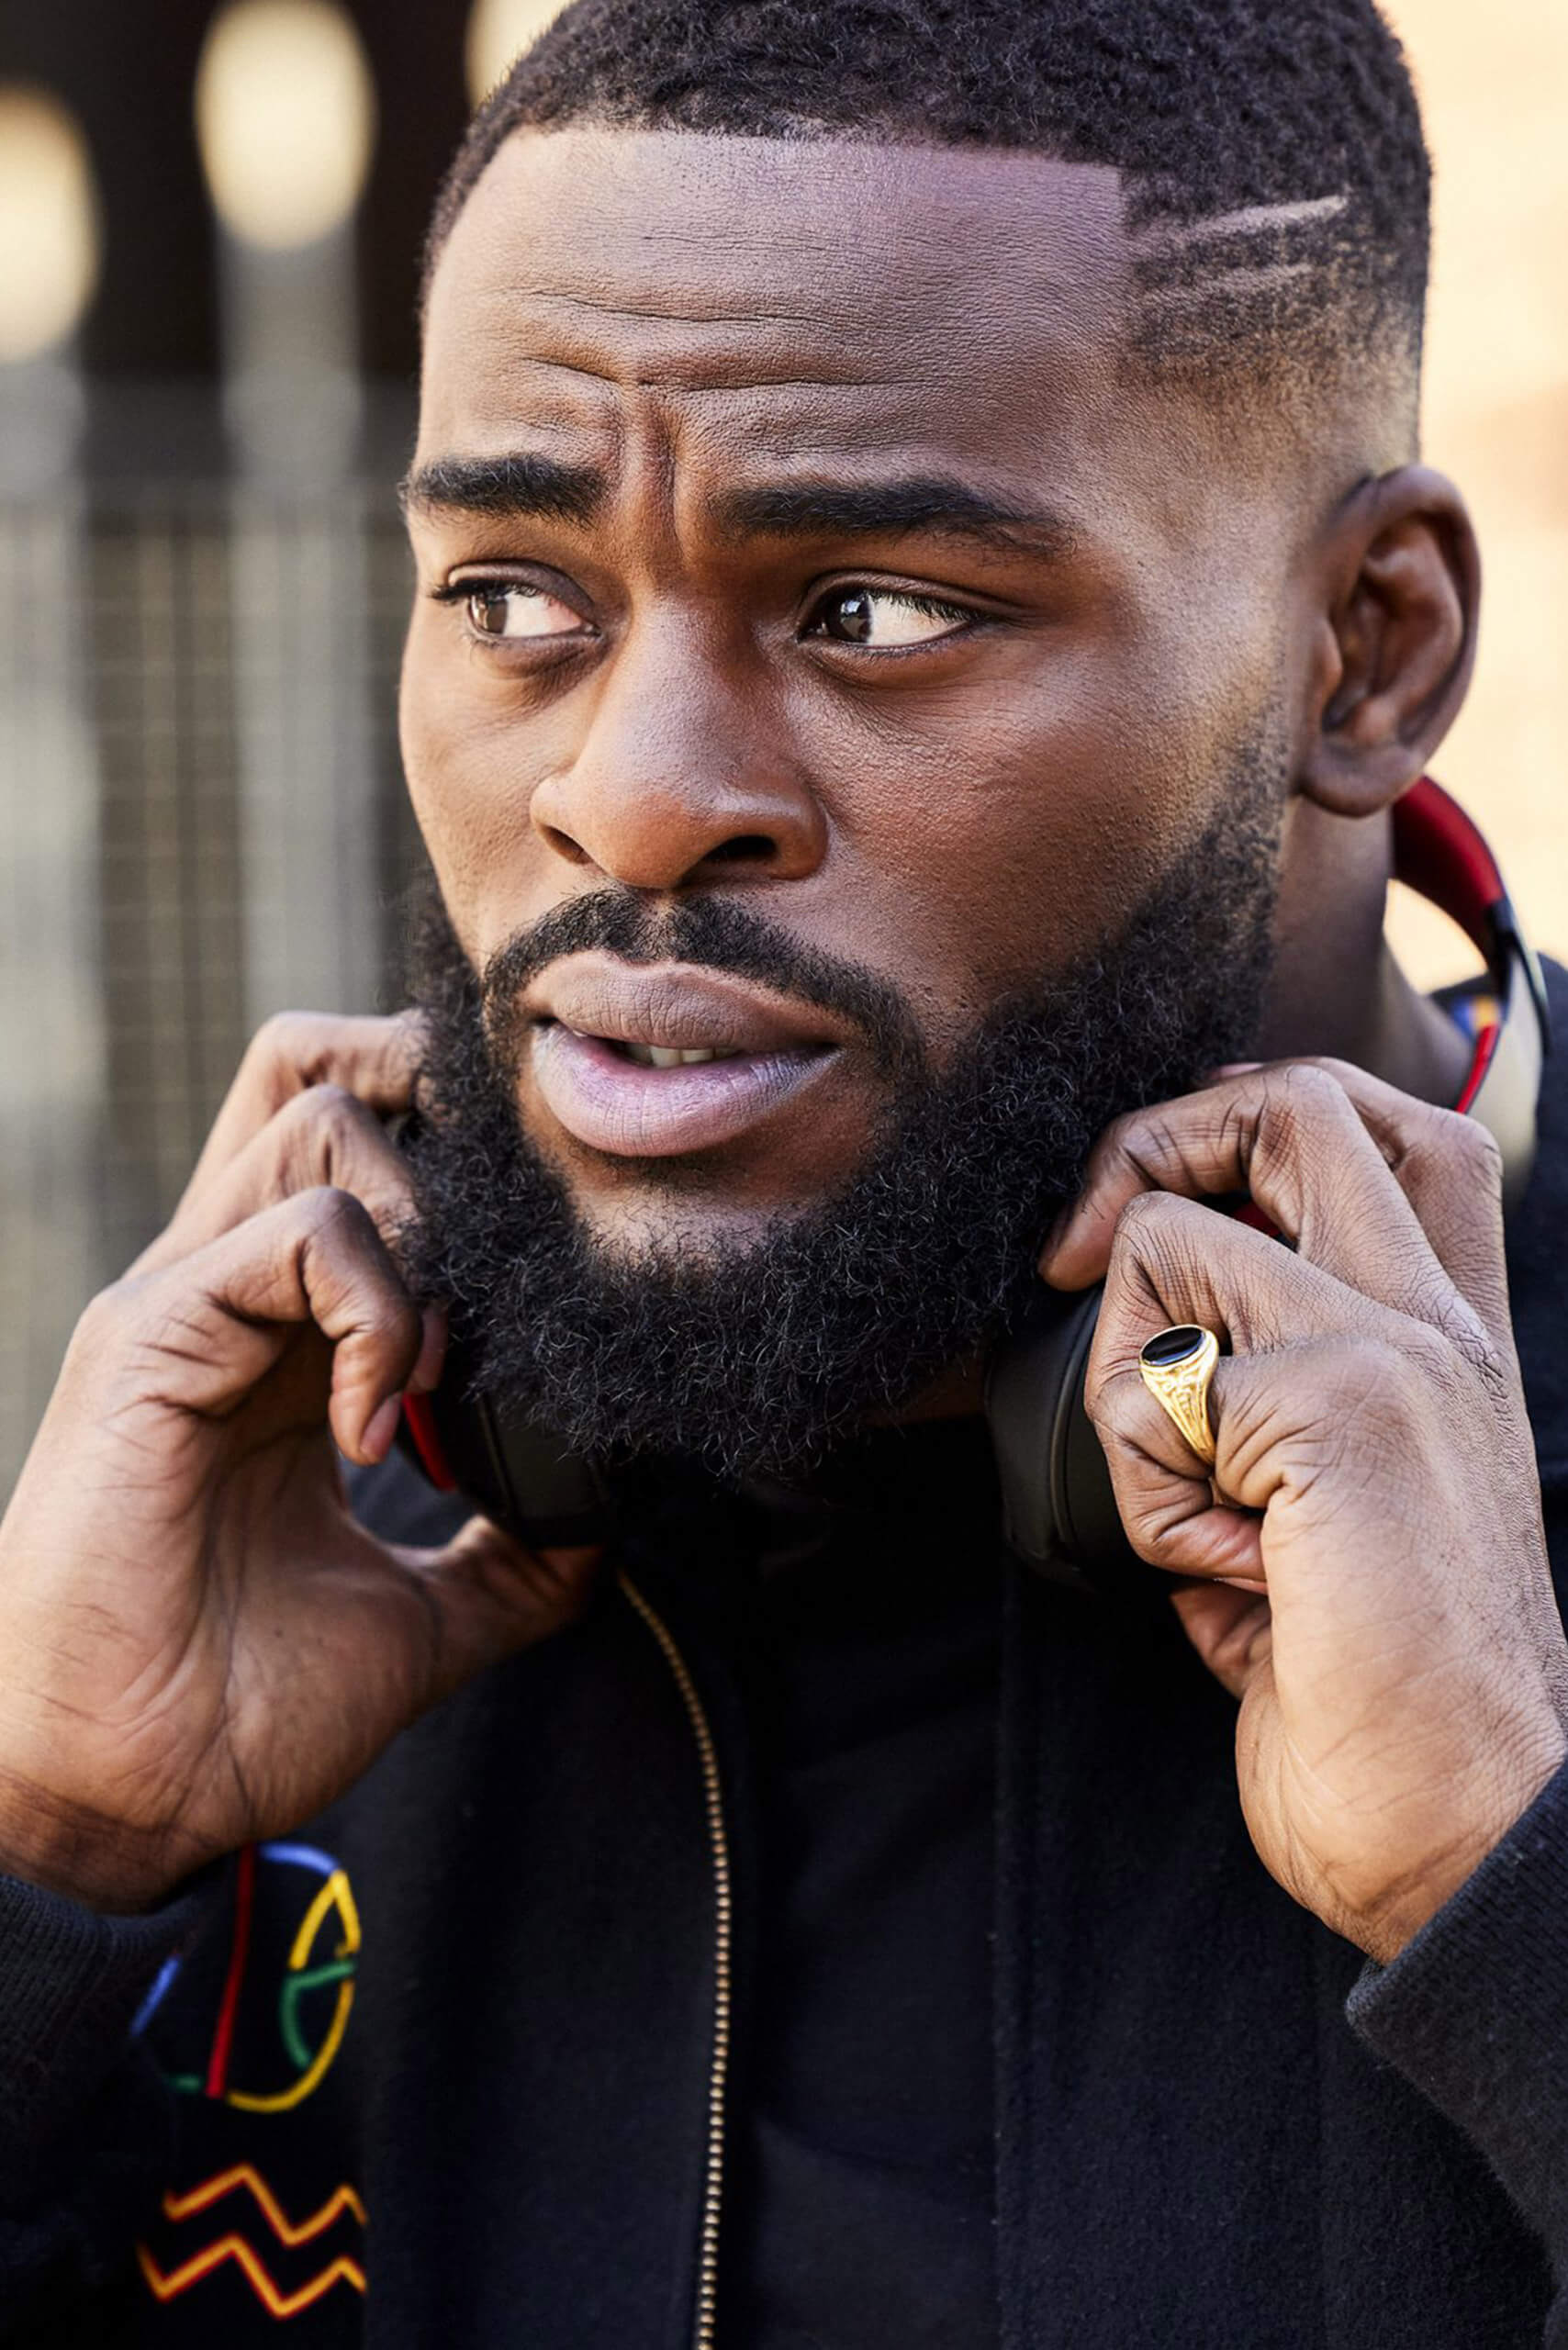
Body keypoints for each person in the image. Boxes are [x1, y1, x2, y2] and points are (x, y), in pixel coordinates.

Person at [3, 0, 1567, 2340]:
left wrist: (1512, 1892)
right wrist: (47, 1864)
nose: (630, 800)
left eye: (874, 610)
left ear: (1363, 651)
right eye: (515, 596)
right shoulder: (285, 1506)